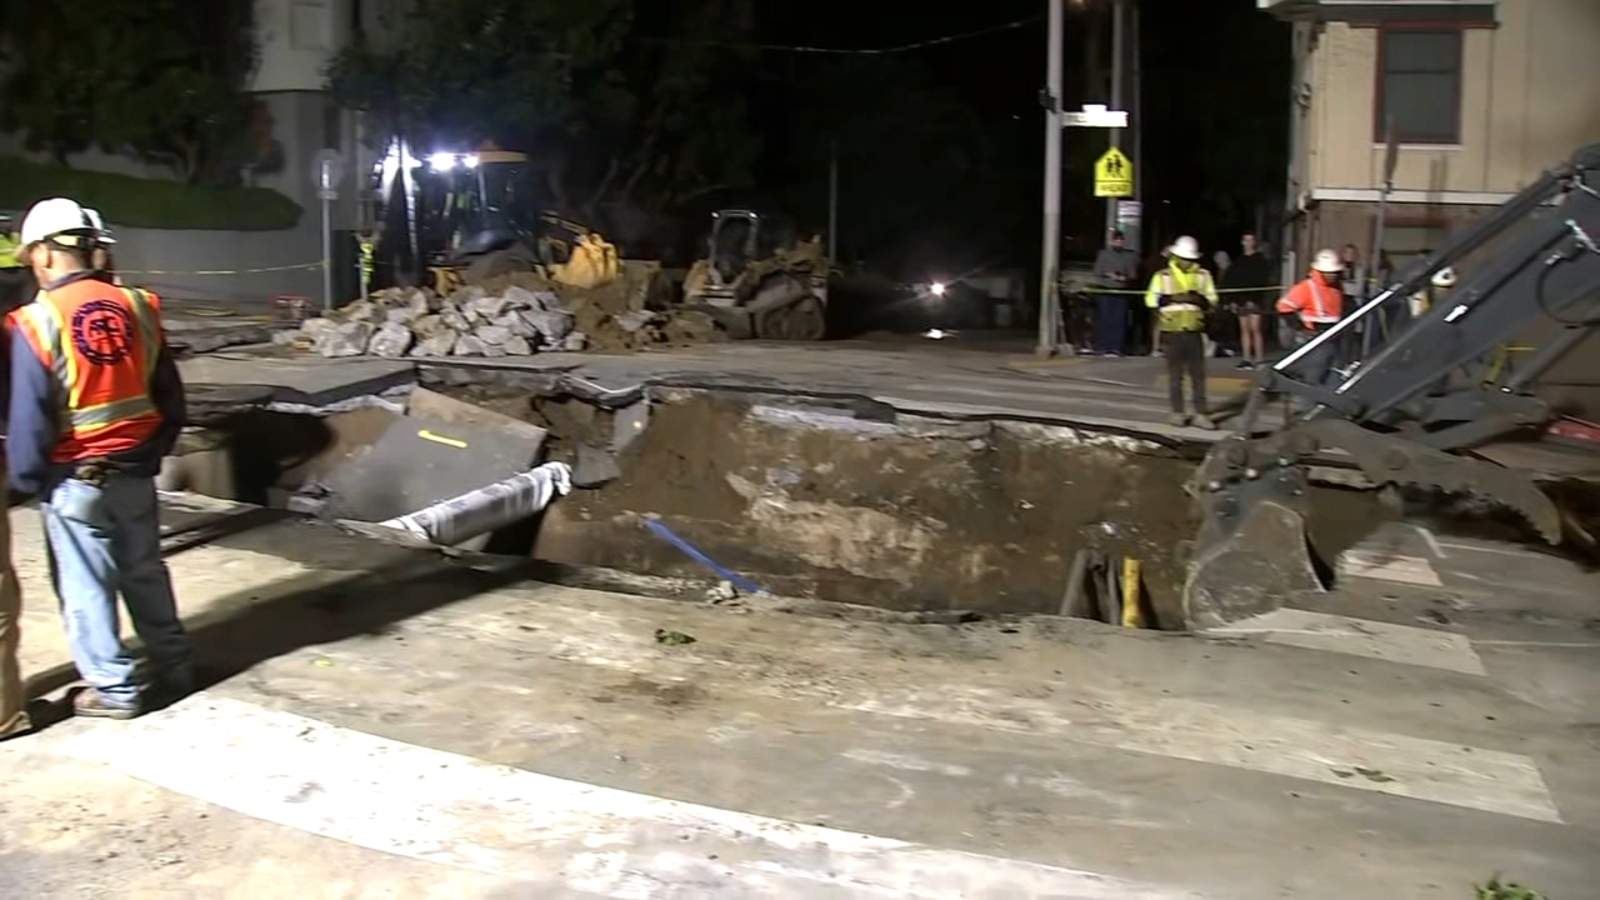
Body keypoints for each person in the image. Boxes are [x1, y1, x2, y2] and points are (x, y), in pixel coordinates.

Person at [7, 197, 190, 719]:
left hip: (75, 480)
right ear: (93, 250)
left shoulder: (35, 323)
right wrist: (151, 452)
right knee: (145, 571)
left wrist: (21, 483)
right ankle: (174, 664)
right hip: (135, 469)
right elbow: (170, 397)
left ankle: (116, 688)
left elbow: (31, 419)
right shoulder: (139, 306)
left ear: (44, 254)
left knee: (86, 585)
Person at [1144, 236, 1219, 429]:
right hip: (1172, 332)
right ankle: (1177, 413)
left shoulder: (1203, 275)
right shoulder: (1163, 276)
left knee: (1198, 376)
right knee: (1175, 376)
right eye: (1183, 257)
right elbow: (1150, 300)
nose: (1186, 261)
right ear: (1176, 256)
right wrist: (1170, 299)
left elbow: (1213, 300)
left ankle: (1201, 414)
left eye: (1189, 258)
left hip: (1194, 331)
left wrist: (1198, 299)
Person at [1275, 248, 1347, 393]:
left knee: (1335, 374)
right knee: (1314, 376)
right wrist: (1301, 329)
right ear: (1321, 271)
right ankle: (1307, 409)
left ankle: (1328, 407)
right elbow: (1283, 307)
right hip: (1315, 338)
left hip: (1334, 337)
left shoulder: (1337, 287)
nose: (1334, 275)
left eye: (1335, 272)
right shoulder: (1306, 287)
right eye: (1330, 273)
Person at [1221, 232, 1276, 369]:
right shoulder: (1239, 261)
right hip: (1240, 300)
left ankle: (1259, 359)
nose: (1248, 243)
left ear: (1254, 242)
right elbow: (1231, 281)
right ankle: (1246, 359)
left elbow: (1263, 281)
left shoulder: (1260, 260)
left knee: (1256, 329)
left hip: (1255, 300)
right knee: (1244, 330)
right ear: (1242, 242)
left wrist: (1257, 298)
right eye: (1246, 240)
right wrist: (1231, 301)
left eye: (1251, 240)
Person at [1091, 229, 1138, 357]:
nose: (1118, 243)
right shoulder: (1103, 254)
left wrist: (1124, 278)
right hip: (1106, 290)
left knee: (1119, 321)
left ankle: (1117, 347)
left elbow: (1133, 274)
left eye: (1120, 241)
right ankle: (1104, 347)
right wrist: (1108, 275)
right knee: (1105, 320)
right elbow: (1096, 272)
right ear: (1111, 241)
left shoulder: (1128, 256)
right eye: (1116, 240)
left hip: (1121, 291)